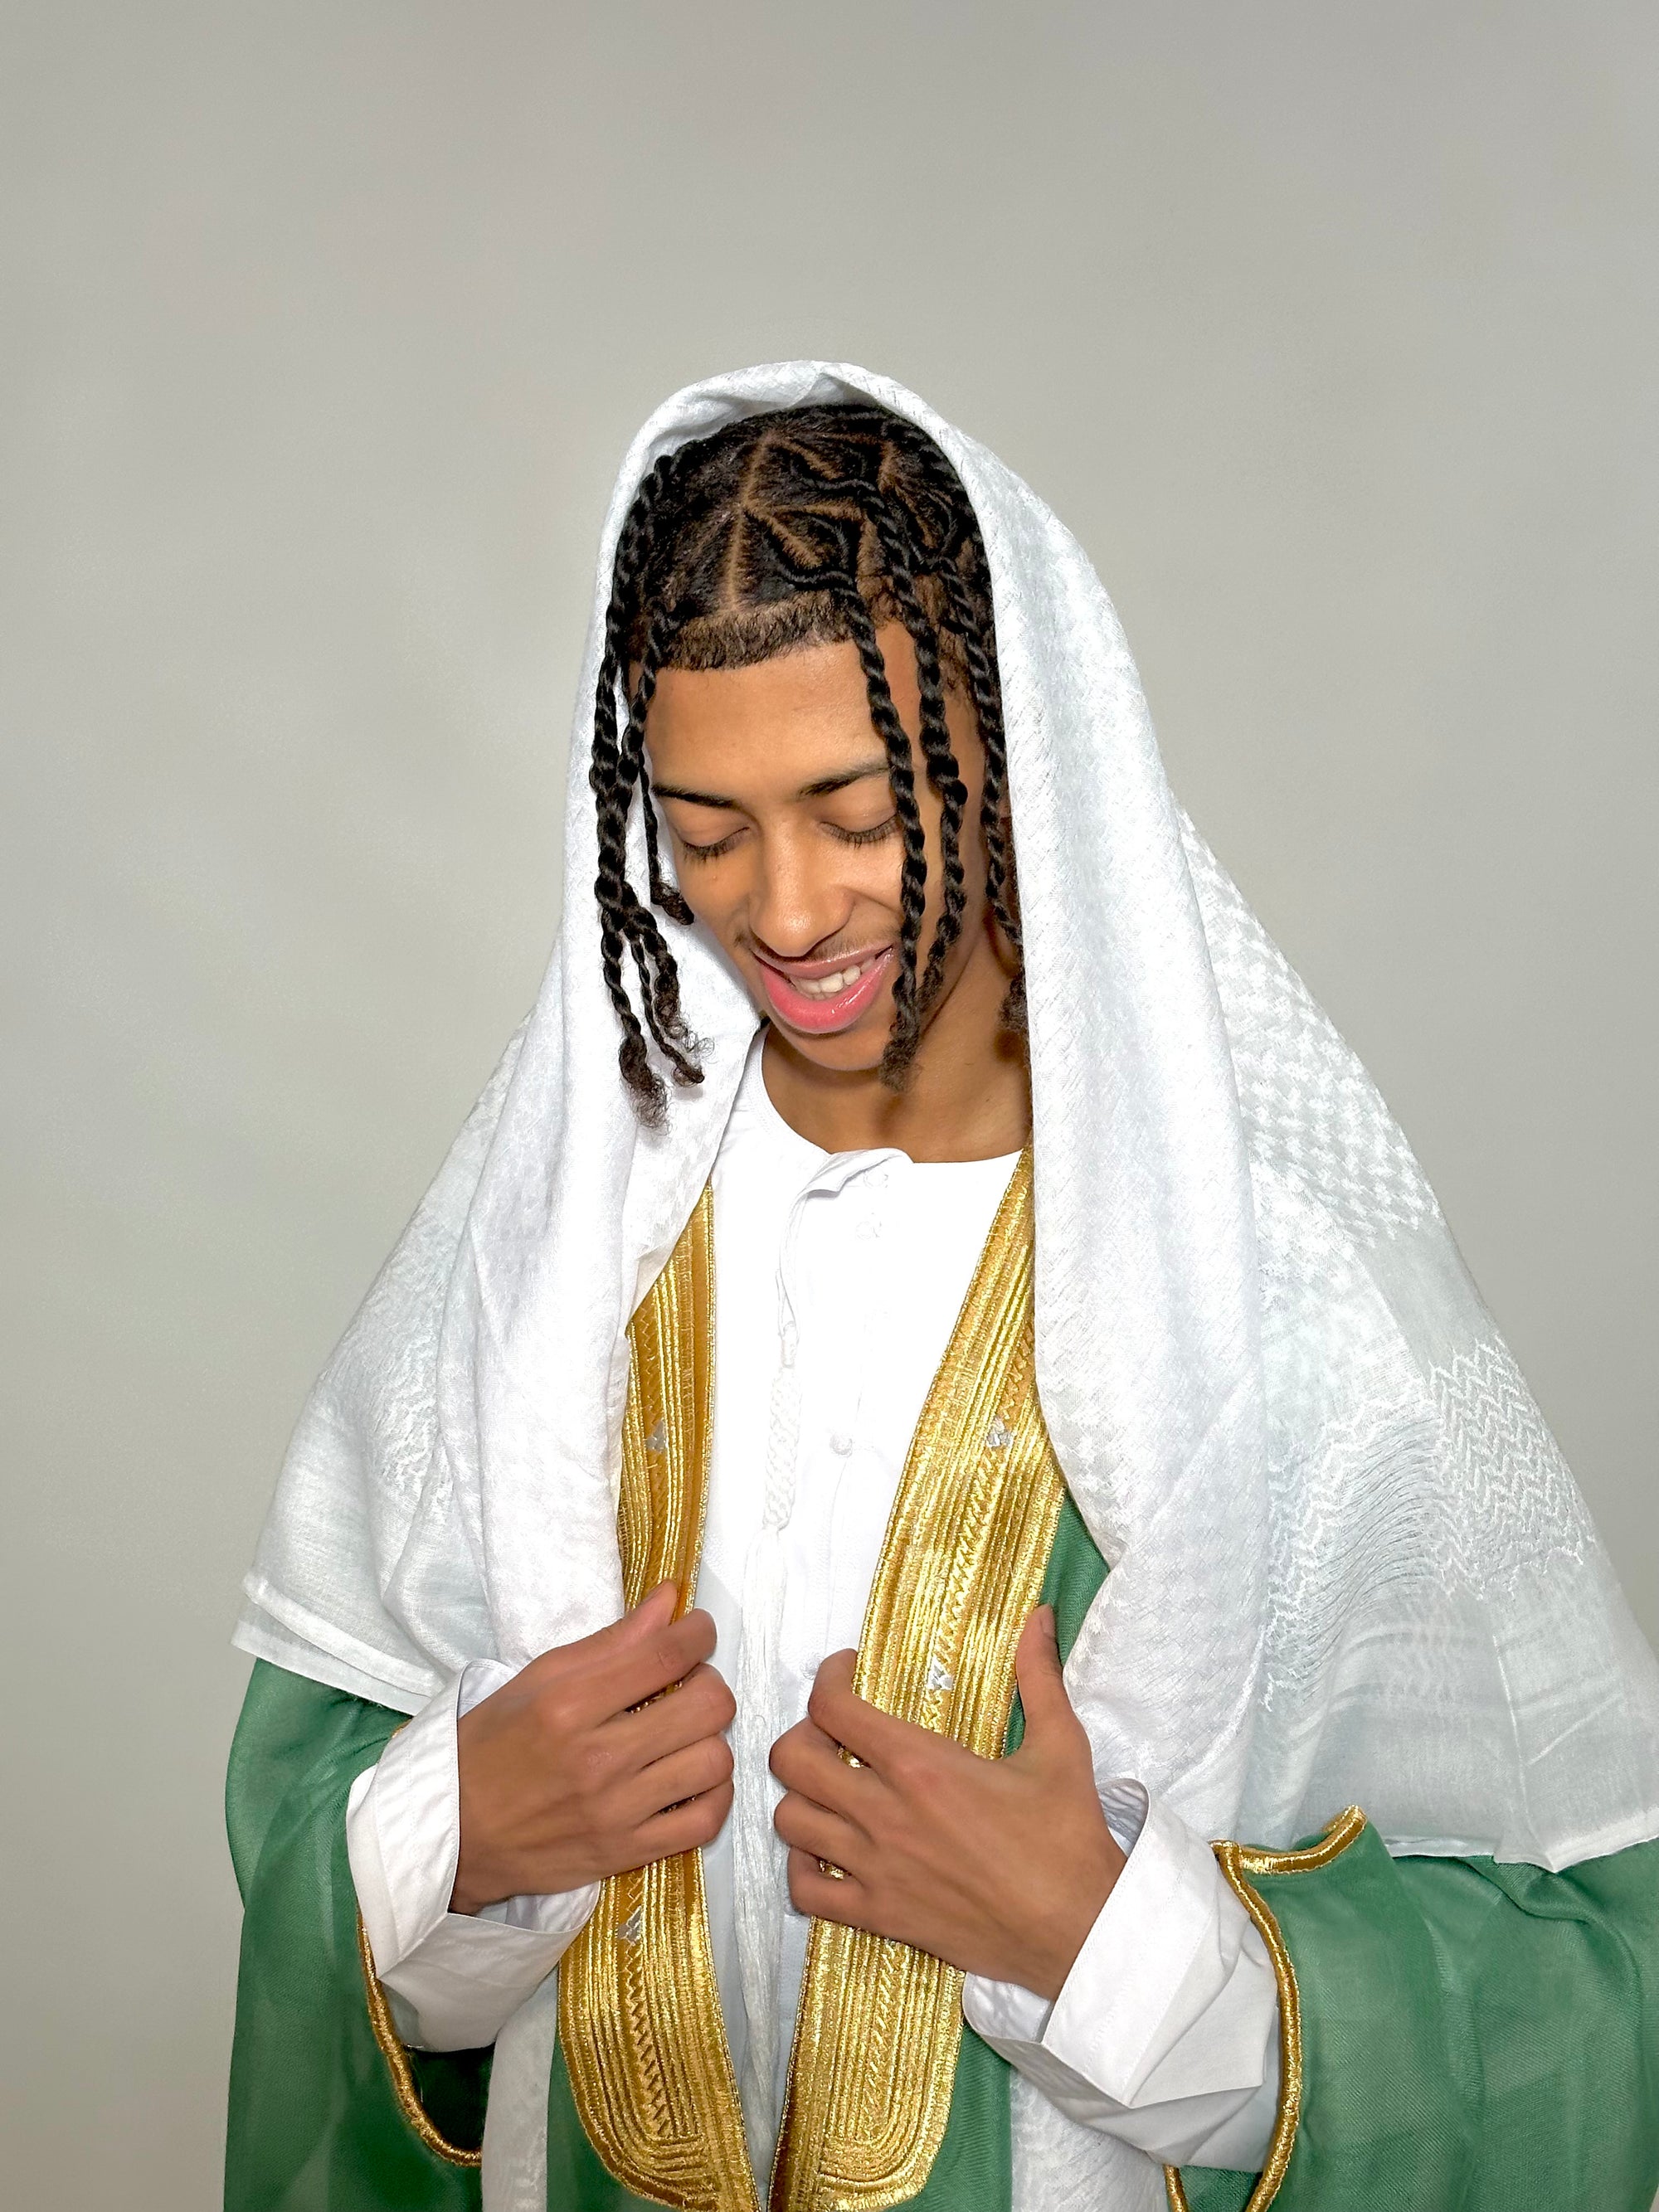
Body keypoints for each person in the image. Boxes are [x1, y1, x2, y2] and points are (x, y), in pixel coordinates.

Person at [225, 364, 1659, 2212]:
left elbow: (1592, 1996)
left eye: (855, 809)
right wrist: (461, 1837)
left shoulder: (1284, 1304)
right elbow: (310, 1831)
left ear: (1011, 750)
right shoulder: (546, 1251)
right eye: (708, 830)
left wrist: (1111, 1949)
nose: (786, 909)